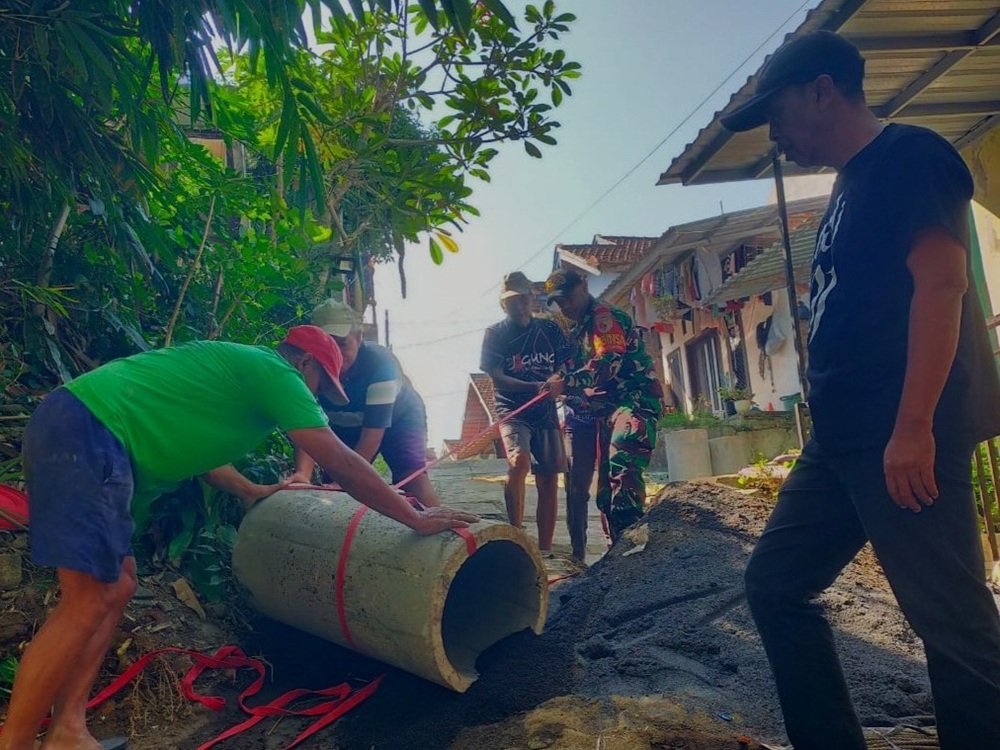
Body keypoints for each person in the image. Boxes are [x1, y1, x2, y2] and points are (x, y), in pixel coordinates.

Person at [5, 326, 476, 750]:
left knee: (118, 585)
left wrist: (253, 491)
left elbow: (207, 460)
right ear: (304, 363)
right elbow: (345, 463)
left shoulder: (232, 382)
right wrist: (413, 519)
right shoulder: (274, 371)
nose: (319, 397)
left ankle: (68, 731)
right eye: (320, 385)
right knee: (85, 600)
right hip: (89, 435)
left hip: (99, 443)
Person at [722, 30, 1000, 750]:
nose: (773, 134)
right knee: (776, 586)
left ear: (822, 88)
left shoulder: (912, 157)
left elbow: (941, 285)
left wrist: (914, 427)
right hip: (841, 444)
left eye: (774, 113)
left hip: (901, 436)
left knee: (956, 630)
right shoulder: (848, 185)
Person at [544, 268, 663, 546]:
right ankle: (617, 550)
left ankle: (633, 545)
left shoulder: (604, 319)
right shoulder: (578, 329)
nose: (565, 307)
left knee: (623, 469)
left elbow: (607, 366)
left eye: (568, 299)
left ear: (583, 286)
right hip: (605, 412)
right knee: (605, 491)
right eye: (559, 303)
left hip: (634, 403)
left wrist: (566, 382)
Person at [291, 298, 441, 507]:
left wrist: (346, 481)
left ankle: (443, 528)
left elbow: (371, 437)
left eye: (342, 344)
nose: (336, 355)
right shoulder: (307, 367)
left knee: (411, 477)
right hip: (344, 424)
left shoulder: (381, 365)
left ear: (359, 337)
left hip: (400, 419)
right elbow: (308, 427)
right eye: (327, 345)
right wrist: (302, 475)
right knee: (333, 485)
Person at [480, 272, 570, 554]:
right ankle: (516, 534)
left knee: (549, 476)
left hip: (544, 410)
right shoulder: (495, 334)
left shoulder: (550, 329)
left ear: (532, 298)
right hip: (512, 407)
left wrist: (555, 379)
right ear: (503, 305)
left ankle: (544, 548)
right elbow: (496, 377)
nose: (518, 304)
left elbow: (565, 363)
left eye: (522, 298)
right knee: (518, 461)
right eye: (511, 300)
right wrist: (532, 386)